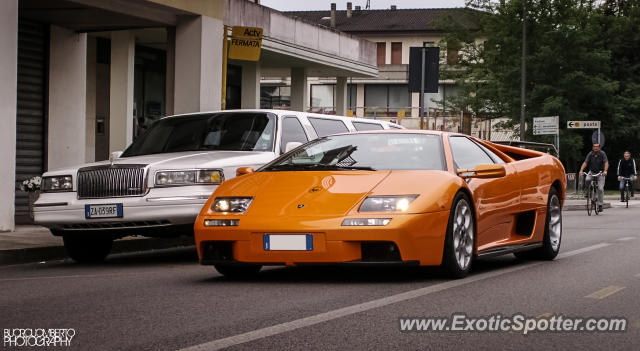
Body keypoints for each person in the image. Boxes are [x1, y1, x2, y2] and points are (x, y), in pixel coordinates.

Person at [579, 143, 609, 212]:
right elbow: (585, 162)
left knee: (600, 189)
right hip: (592, 172)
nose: (595, 148)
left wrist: (605, 171)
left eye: (597, 147)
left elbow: (606, 163)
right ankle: (587, 191)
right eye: (594, 146)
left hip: (600, 173)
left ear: (599, 147)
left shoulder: (602, 154)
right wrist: (581, 170)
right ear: (592, 147)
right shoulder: (590, 154)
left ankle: (600, 205)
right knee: (587, 179)